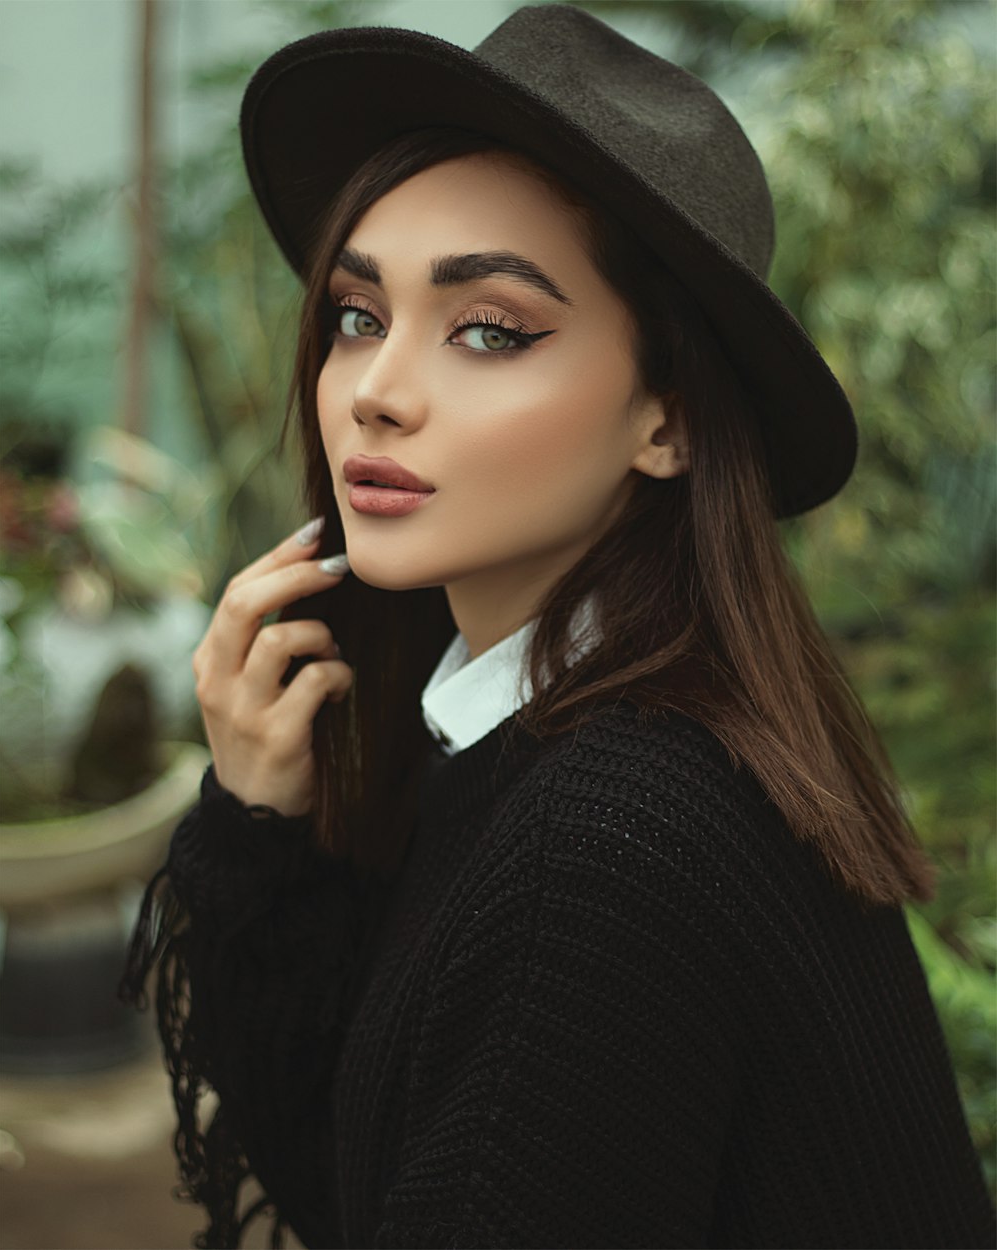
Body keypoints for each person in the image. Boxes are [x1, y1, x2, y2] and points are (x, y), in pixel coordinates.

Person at [121, 6, 995, 1249]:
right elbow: (366, 1181)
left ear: (669, 421)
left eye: (489, 329)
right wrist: (263, 820)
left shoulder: (610, 836)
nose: (375, 389)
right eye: (360, 316)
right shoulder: (523, 731)